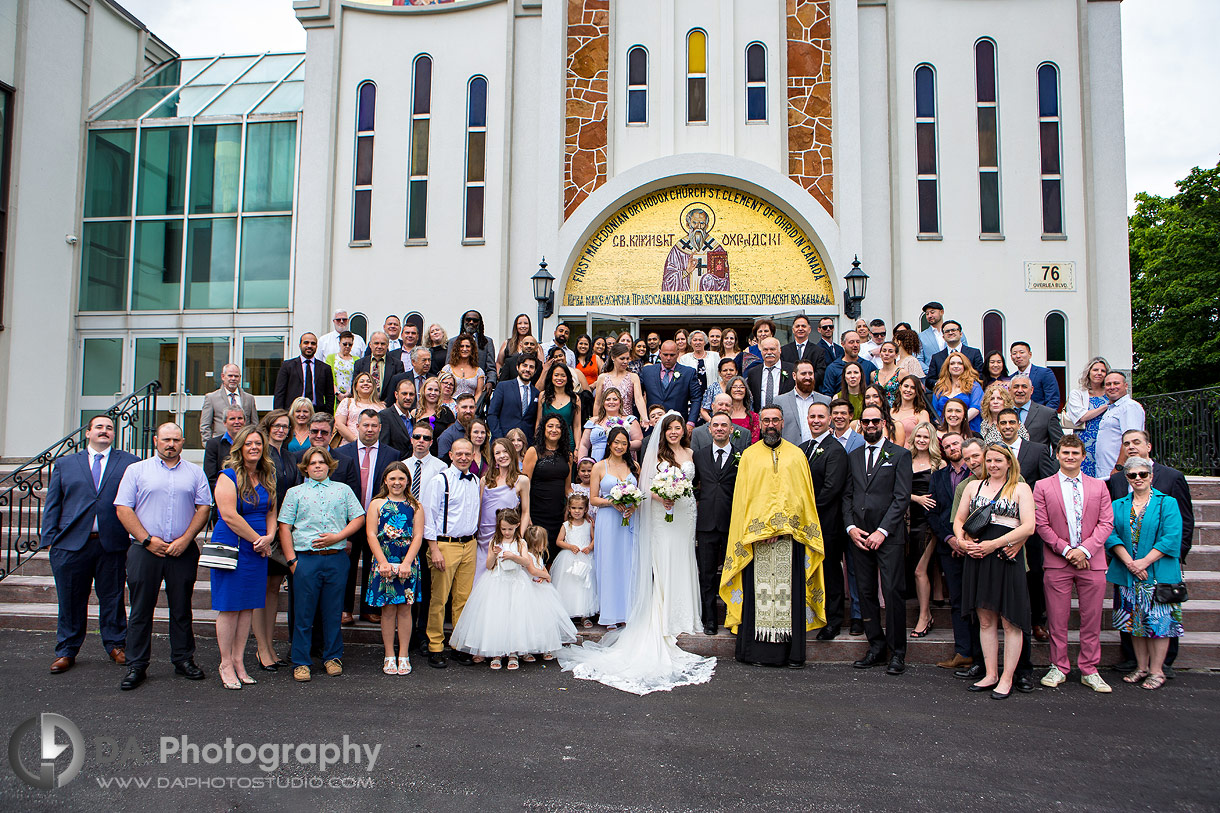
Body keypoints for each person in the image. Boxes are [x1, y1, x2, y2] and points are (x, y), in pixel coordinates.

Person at [560, 413, 715, 694]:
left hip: (684, 510)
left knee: (683, 559)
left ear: (684, 431)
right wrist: (658, 496)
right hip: (656, 512)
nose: (674, 432)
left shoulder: (691, 453)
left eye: (678, 428)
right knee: (659, 560)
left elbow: (693, 483)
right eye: (669, 428)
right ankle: (650, 612)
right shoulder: (652, 456)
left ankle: (685, 613)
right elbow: (645, 488)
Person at [720, 405, 825, 667]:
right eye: (765, 420)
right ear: (760, 423)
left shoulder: (796, 455)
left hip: (791, 540)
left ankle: (792, 654)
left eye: (775, 420)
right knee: (759, 596)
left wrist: (781, 529)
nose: (770, 425)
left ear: (783, 422)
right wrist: (762, 531)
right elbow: (745, 499)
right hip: (757, 543)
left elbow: (802, 499)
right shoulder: (749, 456)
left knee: (790, 596)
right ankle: (754, 653)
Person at [114, 423, 212, 691]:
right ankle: (136, 665)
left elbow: (203, 508)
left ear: (183, 442)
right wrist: (147, 540)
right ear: (156, 440)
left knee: (182, 609)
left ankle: (183, 659)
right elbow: (124, 508)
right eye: (166, 439)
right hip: (145, 550)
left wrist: (185, 540)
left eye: (176, 440)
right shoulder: (137, 470)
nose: (171, 444)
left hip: (181, 550)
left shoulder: (194, 472)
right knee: (141, 609)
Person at [42, 415, 139, 674]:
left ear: (114, 434)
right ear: (88, 433)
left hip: (112, 543)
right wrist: (50, 540)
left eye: (109, 428)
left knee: (113, 597)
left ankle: (116, 644)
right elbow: (54, 503)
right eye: (99, 427)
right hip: (71, 544)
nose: (104, 431)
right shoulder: (65, 464)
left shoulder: (129, 463)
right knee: (71, 600)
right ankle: (66, 650)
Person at [1105, 429, 1193, 677]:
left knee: (1160, 625)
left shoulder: (1167, 501)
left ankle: (1158, 670)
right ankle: (1141, 667)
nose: (1137, 478)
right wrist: (1129, 562)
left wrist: (1143, 562)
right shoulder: (1118, 503)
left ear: (1151, 476)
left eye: (1142, 474)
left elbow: (1172, 536)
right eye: (1132, 475)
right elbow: (1111, 534)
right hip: (1128, 573)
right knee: (1133, 623)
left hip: (1157, 572)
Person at [1032, 435, 1116, 693]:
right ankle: (1059, 666)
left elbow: (1106, 523)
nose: (1070, 457)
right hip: (1058, 561)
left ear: (1083, 456)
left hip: (1092, 561)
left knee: (1091, 618)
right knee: (1057, 619)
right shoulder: (1043, 486)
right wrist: (1067, 550)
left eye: (1075, 453)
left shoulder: (1099, 486)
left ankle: (1090, 669)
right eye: (1065, 452)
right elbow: (1041, 524)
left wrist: (1085, 550)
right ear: (1057, 455)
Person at [277, 446, 367, 682]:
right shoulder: (295, 493)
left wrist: (339, 537)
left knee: (332, 611)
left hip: (336, 559)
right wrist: (291, 560)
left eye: (321, 462)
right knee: (303, 614)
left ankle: (332, 657)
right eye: (312, 463)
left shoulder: (343, 490)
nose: (317, 466)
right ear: (305, 468)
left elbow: (359, 517)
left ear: (329, 465)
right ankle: (301, 661)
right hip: (305, 560)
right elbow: (285, 526)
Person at [955, 443, 1036, 698]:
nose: (993, 465)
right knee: (985, 619)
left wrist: (994, 545)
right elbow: (959, 520)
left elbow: (1029, 527)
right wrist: (961, 541)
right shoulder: (972, 486)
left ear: (1009, 462)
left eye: (998, 460)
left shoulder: (1021, 488)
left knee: (1010, 621)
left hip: (1005, 556)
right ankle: (990, 674)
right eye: (989, 460)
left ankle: (1007, 678)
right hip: (977, 557)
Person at [451, 510, 577, 669]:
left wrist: (512, 556)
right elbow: (489, 566)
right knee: (497, 617)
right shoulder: (494, 541)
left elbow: (525, 561)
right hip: (497, 582)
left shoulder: (521, 543)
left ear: (517, 526)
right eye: (503, 529)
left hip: (517, 582)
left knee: (516, 617)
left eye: (510, 529)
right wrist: (494, 555)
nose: (506, 532)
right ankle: (496, 652)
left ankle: (513, 653)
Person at [843, 406, 913, 675]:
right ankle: (875, 646)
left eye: (875, 420)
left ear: (883, 423)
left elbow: (901, 498)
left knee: (893, 592)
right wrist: (850, 527)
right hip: (859, 535)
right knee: (866, 591)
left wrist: (882, 531)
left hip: (888, 536)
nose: (871, 425)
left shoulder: (900, 455)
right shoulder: (853, 456)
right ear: (861, 425)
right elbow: (847, 495)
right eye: (866, 421)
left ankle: (897, 652)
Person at [210, 426, 277, 690]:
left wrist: (269, 537)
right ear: (239, 447)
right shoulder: (227, 476)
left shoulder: (266, 475)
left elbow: (272, 509)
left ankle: (239, 661)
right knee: (229, 607)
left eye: (258, 444)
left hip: (259, 548)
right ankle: (225, 663)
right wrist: (257, 540)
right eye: (248, 444)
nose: (254, 448)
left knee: (248, 606)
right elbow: (228, 515)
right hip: (234, 545)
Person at [335, 409, 406, 624]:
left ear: (380, 428)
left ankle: (368, 608)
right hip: (351, 519)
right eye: (366, 425)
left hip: (379, 521)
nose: (370, 429)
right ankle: (345, 608)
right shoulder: (342, 453)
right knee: (347, 564)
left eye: (374, 426)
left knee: (373, 564)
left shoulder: (391, 454)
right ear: (357, 426)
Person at [421, 438, 482, 668]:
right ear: (451, 455)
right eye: (460, 454)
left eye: (468, 453)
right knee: (439, 599)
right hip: (445, 545)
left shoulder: (475, 480)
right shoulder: (440, 481)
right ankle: (435, 645)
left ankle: (458, 644)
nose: (464, 457)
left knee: (463, 599)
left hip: (470, 545)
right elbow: (429, 516)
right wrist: (434, 548)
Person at [365, 461, 425, 676]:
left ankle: (404, 654)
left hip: (408, 560)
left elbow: (418, 535)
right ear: (385, 480)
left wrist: (408, 562)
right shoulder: (377, 504)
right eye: (393, 478)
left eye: (401, 478)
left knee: (405, 609)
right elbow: (371, 534)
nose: (397, 482)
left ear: (408, 480)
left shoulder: (415, 505)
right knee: (388, 610)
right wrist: (382, 561)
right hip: (384, 560)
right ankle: (389, 654)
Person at [925, 432, 975, 671]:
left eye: (955, 443)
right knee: (957, 600)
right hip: (949, 547)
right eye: (947, 446)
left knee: (978, 601)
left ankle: (982, 655)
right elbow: (932, 513)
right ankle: (963, 651)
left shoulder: (978, 474)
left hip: (977, 546)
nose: (952, 447)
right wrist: (950, 539)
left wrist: (966, 540)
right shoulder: (938, 477)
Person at [800, 402, 849, 640]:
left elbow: (831, 489)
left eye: (821, 416)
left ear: (830, 420)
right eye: (812, 416)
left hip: (827, 523)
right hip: (804, 525)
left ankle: (834, 620)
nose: (816, 420)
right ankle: (810, 614)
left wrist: (805, 510)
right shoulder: (802, 448)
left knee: (830, 571)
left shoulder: (835, 450)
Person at [255, 410, 298, 671]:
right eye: (277, 426)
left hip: (285, 528)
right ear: (267, 427)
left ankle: (270, 646)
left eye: (285, 426)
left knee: (273, 589)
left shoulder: (290, 456)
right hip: (263, 528)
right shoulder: (261, 454)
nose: (281, 430)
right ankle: (262, 648)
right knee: (261, 590)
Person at [586, 427, 639, 629]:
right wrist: (612, 502)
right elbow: (593, 498)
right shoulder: (600, 467)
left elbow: (639, 493)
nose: (620, 446)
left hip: (628, 520)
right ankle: (609, 614)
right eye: (616, 442)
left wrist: (632, 505)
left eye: (624, 443)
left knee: (627, 563)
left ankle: (627, 611)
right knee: (608, 564)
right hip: (608, 520)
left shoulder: (634, 466)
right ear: (609, 443)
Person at [401, 423, 447, 654]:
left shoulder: (441, 468)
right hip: (403, 534)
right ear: (411, 439)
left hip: (429, 534)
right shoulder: (402, 467)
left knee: (427, 587)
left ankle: (422, 634)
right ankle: (404, 633)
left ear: (431, 442)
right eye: (417, 436)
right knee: (406, 584)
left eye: (426, 438)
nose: (421, 440)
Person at [692, 412, 740, 635]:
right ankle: (709, 619)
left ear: (731, 429)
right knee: (707, 575)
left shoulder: (742, 456)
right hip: (706, 524)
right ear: (709, 429)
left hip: (732, 522)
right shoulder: (699, 456)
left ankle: (734, 618)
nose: (719, 428)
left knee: (734, 573)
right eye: (715, 425)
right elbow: (692, 488)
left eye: (724, 425)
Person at [476, 438, 530, 586]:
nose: (502, 455)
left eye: (505, 451)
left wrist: (519, 536)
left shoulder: (522, 480)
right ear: (493, 457)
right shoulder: (485, 480)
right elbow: (480, 510)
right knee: (480, 581)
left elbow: (525, 512)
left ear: (512, 453)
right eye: (497, 453)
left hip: (507, 535)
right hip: (484, 538)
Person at [906, 422, 942, 639]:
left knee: (920, 569)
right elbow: (896, 489)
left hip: (929, 523)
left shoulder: (939, 464)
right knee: (913, 568)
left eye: (925, 437)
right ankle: (925, 612)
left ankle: (924, 615)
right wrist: (915, 498)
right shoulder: (905, 460)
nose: (921, 440)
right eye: (918, 436)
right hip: (908, 520)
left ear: (932, 441)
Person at [524, 415, 572, 562]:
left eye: (558, 427)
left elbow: (568, 488)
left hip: (558, 514)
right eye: (550, 426)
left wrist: (573, 509)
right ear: (543, 429)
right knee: (537, 555)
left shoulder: (567, 455)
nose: (554, 430)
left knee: (554, 556)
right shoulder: (533, 451)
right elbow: (524, 485)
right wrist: (527, 515)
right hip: (537, 513)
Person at [551, 494, 599, 628]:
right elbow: (559, 541)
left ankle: (585, 615)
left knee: (584, 588)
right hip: (569, 559)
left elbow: (594, 538)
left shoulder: (589, 524)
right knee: (569, 586)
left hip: (585, 558)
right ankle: (568, 613)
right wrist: (570, 546)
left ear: (585, 509)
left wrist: (590, 547)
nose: (576, 511)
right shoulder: (566, 525)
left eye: (580, 508)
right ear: (569, 509)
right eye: (573, 508)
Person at [640, 340, 703, 429]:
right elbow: (638, 396)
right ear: (660, 353)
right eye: (665, 355)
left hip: (678, 425)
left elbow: (696, 399)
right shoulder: (647, 371)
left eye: (672, 355)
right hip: (652, 425)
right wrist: (643, 418)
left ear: (677, 353)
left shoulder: (688, 372)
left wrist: (691, 422)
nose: (668, 358)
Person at [1065, 357, 1111, 477]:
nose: (1099, 373)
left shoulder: (1110, 394)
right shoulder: (1078, 394)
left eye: (1103, 371)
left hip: (1106, 439)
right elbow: (1082, 416)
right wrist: (1105, 407)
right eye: (1095, 370)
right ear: (1088, 372)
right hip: (1085, 439)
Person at [1095, 371, 1145, 478]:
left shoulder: (1129, 407)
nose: (1112, 387)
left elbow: (1131, 441)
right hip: (1105, 472)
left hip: (1119, 473)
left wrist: (1119, 467)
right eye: (1108, 384)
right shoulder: (1111, 409)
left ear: (1126, 386)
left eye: (1116, 383)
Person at [274, 333, 335, 414]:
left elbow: (330, 395)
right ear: (300, 345)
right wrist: (279, 414)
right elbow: (280, 392)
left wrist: (327, 414)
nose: (309, 346)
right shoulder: (288, 366)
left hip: (317, 413)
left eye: (313, 343)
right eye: (306, 343)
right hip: (293, 412)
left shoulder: (325, 368)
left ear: (316, 346)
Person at [775, 359, 831, 445]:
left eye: (810, 373)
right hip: (791, 453)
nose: (808, 377)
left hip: (819, 453)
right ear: (794, 376)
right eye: (803, 373)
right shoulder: (780, 401)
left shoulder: (825, 400)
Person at [578, 386, 642, 461]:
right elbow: (584, 445)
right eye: (608, 399)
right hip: (597, 462)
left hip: (622, 460)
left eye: (615, 399)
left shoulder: (629, 420)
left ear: (620, 402)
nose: (611, 402)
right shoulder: (593, 422)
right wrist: (582, 462)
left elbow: (639, 442)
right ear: (603, 403)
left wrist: (622, 444)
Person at [487, 354, 539, 443]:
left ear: (535, 371)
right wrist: (500, 439)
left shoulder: (537, 393)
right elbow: (492, 414)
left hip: (526, 444)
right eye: (524, 365)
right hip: (503, 440)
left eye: (531, 367)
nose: (527, 369)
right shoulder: (503, 387)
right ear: (517, 367)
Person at [200, 364, 258, 443]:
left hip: (243, 444)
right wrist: (209, 446)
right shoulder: (211, 398)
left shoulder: (249, 399)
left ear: (240, 378)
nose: (233, 379)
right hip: (221, 444)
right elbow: (205, 426)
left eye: (236, 376)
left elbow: (254, 424)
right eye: (230, 376)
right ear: (223, 376)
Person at [930, 351, 984, 432]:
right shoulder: (940, 388)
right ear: (947, 367)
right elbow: (935, 411)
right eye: (952, 363)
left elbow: (975, 409)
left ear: (965, 366)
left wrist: (956, 423)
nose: (956, 366)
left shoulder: (974, 386)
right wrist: (946, 427)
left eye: (960, 363)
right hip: (944, 430)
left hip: (968, 430)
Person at [596, 341, 649, 421]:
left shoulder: (633, 377)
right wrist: (596, 422)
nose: (625, 362)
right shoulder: (602, 377)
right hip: (607, 421)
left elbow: (639, 399)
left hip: (627, 421)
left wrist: (645, 418)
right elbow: (598, 402)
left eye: (627, 359)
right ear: (613, 358)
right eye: (622, 358)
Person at [1009, 374, 1064, 449]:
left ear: (1031, 390)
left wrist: (1051, 461)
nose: (1020, 390)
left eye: (1024, 387)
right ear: (1009, 390)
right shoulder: (1003, 413)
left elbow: (1060, 445)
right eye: (1016, 387)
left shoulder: (1047, 414)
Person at [535, 362, 580, 452]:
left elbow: (577, 426)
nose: (559, 378)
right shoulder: (543, 396)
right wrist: (537, 442)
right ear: (551, 377)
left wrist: (577, 448)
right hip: (546, 442)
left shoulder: (575, 398)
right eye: (556, 375)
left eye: (563, 375)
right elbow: (539, 421)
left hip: (567, 443)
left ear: (568, 378)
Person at [924, 321, 985, 388]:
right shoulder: (936, 357)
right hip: (945, 394)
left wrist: (965, 383)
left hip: (969, 393)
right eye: (947, 331)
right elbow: (929, 381)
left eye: (953, 330)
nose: (950, 333)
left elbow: (980, 375)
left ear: (961, 334)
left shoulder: (974, 353)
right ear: (943, 337)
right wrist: (941, 384)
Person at [354, 331, 406, 405]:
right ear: (370, 345)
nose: (379, 346)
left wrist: (385, 403)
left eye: (383, 344)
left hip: (388, 407)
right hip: (364, 406)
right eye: (376, 343)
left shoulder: (397, 364)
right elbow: (355, 385)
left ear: (387, 345)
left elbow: (399, 388)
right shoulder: (359, 363)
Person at [820, 331, 878, 396]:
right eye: (851, 342)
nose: (855, 345)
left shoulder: (868, 366)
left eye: (858, 342)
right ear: (842, 344)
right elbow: (828, 394)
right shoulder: (833, 368)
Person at [745, 337, 795, 412]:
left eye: (772, 349)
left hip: (786, 416)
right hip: (760, 418)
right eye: (765, 349)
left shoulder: (792, 370)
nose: (769, 352)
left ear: (780, 350)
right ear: (761, 352)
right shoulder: (753, 373)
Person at [1009, 341, 1061, 410]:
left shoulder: (1044, 373)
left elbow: (1053, 400)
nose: (1018, 356)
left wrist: (1044, 417)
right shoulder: (1011, 378)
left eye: (1021, 352)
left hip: (1041, 417)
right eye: (1014, 353)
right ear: (1011, 357)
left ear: (1030, 354)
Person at [203, 406, 245, 492]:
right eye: (232, 419)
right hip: (223, 493)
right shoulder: (213, 444)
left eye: (240, 418)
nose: (237, 422)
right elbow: (210, 477)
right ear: (224, 423)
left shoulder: (252, 443)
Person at [452, 310, 497, 387]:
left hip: (479, 386)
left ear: (479, 323)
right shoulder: (453, 342)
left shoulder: (487, 342)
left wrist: (490, 382)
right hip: (456, 385)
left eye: (475, 320)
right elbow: (449, 364)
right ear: (463, 321)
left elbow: (491, 368)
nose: (471, 322)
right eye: (468, 319)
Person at [781, 314, 828, 390]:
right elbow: (782, 371)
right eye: (797, 326)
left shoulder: (818, 351)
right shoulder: (783, 350)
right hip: (789, 391)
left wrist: (806, 382)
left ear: (809, 330)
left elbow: (820, 372)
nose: (800, 329)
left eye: (803, 326)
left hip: (811, 390)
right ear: (793, 330)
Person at [335, 372, 384, 444]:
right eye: (362, 381)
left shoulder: (381, 407)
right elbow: (339, 424)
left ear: (373, 386)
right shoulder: (347, 402)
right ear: (356, 387)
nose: (365, 383)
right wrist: (355, 441)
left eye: (369, 381)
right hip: (349, 445)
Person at [379, 377, 416, 455]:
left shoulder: (413, 419)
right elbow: (383, 446)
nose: (408, 397)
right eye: (404, 394)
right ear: (396, 394)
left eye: (411, 394)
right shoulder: (385, 416)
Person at [679, 329, 720, 400]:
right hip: (692, 397)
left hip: (713, 397)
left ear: (705, 342)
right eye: (695, 340)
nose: (697, 342)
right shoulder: (684, 358)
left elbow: (720, 376)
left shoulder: (715, 356)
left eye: (700, 340)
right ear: (690, 342)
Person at [437, 393, 478, 461]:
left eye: (471, 407)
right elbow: (443, 465)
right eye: (464, 407)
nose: (468, 411)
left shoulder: (480, 433)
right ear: (456, 408)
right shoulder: (447, 436)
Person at [916, 302, 954, 374]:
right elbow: (918, 359)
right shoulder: (921, 336)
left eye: (932, 312)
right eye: (927, 314)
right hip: (933, 378)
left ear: (941, 312)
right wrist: (931, 372)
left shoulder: (955, 332)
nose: (929, 316)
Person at [892, 375, 932, 439]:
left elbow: (924, 437)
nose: (908, 390)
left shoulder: (922, 414)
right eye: (906, 386)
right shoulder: (890, 411)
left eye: (913, 388)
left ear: (917, 391)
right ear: (900, 388)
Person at [700, 356, 739, 422]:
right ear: (719, 373)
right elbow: (703, 411)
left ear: (736, 372)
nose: (728, 373)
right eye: (725, 370)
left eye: (731, 370)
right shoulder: (713, 388)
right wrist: (712, 422)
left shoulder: (741, 388)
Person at [324, 332, 358, 402]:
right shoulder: (331, 358)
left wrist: (349, 393)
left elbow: (357, 378)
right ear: (339, 343)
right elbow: (328, 377)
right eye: (345, 344)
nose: (347, 346)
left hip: (351, 396)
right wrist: (337, 393)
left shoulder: (357, 359)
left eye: (350, 344)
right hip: (334, 396)